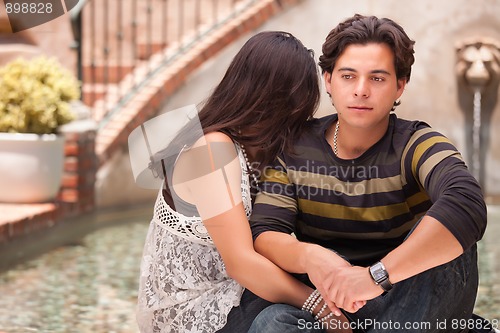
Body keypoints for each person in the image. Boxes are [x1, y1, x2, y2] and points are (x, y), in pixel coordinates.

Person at [249, 14, 489, 333]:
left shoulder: (418, 143)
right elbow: (265, 232)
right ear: (328, 80)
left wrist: (375, 277)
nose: (361, 91)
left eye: (377, 78)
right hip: (336, 308)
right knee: (271, 322)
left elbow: (467, 203)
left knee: (450, 243)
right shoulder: (295, 148)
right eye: (348, 76)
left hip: (410, 296)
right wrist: (311, 257)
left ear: (399, 85)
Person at [135, 31, 352, 333]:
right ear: (271, 97)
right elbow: (241, 262)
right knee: (318, 300)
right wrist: (320, 308)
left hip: (235, 291)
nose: (298, 117)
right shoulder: (212, 149)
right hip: (198, 310)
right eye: (296, 104)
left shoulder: (253, 149)